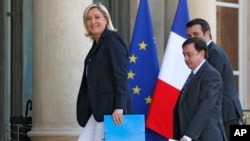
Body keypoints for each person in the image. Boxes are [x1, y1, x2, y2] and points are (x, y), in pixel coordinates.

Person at [76, 3, 133, 141]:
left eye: (97, 17)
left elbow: (120, 74)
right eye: (88, 19)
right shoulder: (97, 44)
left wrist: (119, 106)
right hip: (98, 110)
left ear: (106, 19)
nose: (93, 22)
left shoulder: (112, 39)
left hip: (111, 110)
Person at [186, 18, 244, 140]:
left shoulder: (214, 53)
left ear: (207, 33)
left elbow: (211, 86)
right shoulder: (209, 52)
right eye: (189, 35)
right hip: (224, 112)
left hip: (227, 113)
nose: (192, 38)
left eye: (196, 34)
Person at [173, 37, 227, 141]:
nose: (185, 59)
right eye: (184, 55)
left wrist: (188, 136)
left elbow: (205, 107)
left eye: (189, 54)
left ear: (201, 54)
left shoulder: (210, 74)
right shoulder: (194, 74)